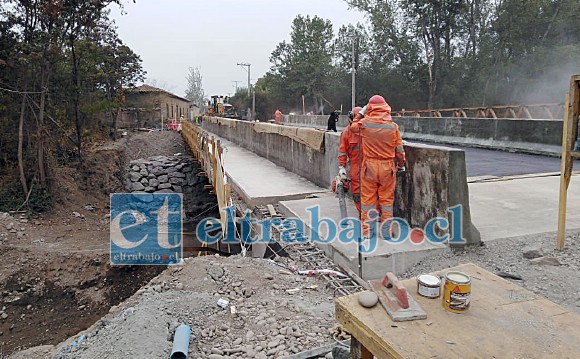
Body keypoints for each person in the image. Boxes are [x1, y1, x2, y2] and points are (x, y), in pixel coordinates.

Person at [351, 95, 406, 240]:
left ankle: (367, 233)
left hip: (369, 167)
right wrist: (401, 166)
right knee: (387, 202)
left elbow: (352, 127)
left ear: (370, 108)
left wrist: (361, 113)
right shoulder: (393, 127)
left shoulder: (365, 123)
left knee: (368, 201)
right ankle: (386, 233)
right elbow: (399, 152)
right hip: (388, 167)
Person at [338, 106, 364, 213]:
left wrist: (342, 167)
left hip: (367, 166)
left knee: (370, 193)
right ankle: (362, 213)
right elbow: (342, 151)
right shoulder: (346, 133)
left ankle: (370, 214)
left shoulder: (368, 130)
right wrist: (342, 167)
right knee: (357, 193)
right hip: (358, 167)